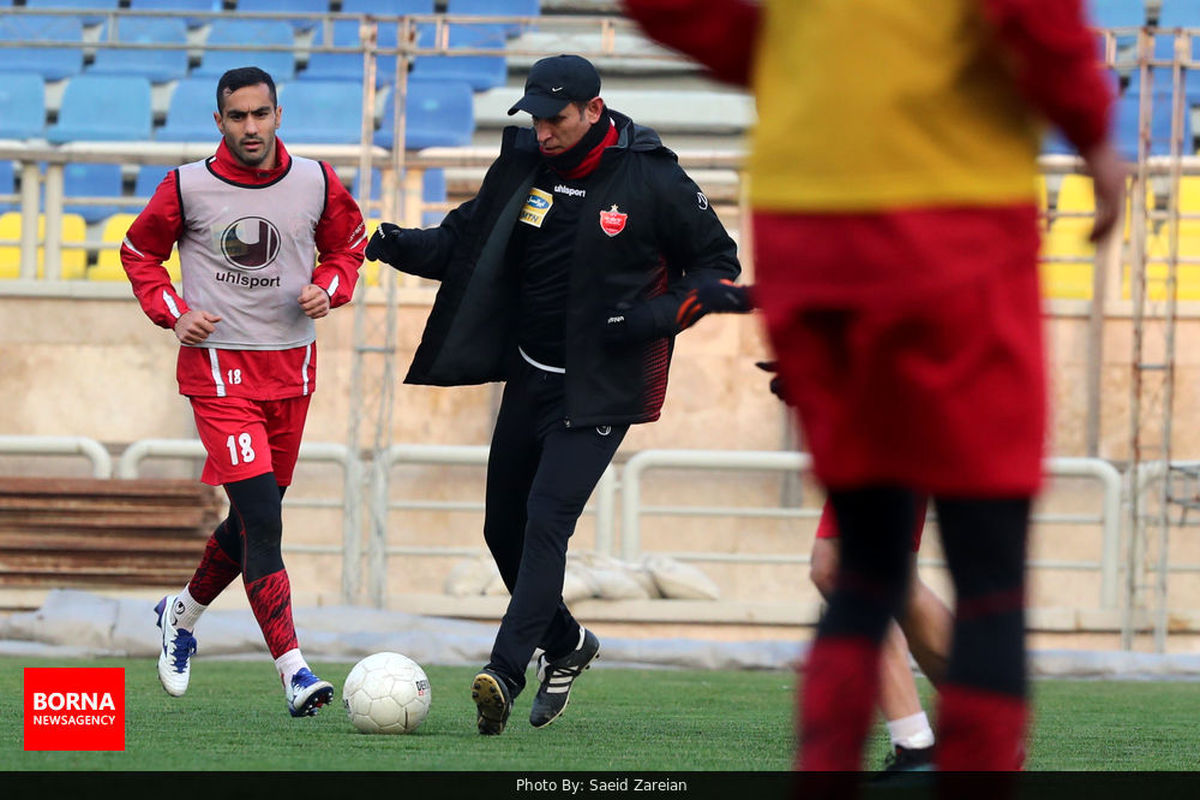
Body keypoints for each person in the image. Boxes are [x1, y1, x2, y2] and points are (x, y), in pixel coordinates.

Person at [625, 0, 1123, 777]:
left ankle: (905, 743)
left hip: (813, 239)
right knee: (986, 574)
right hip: (952, 233)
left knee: (858, 571)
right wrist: (1094, 136)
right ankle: (951, 748)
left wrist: (800, 65)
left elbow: (684, 16)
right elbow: (1042, 26)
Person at [364, 54, 742, 735]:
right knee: (499, 529)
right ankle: (567, 644)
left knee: (545, 522)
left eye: (556, 118)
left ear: (594, 111)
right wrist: (386, 243)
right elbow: (461, 242)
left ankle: (505, 672)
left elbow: (719, 269)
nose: (543, 130)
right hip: (531, 376)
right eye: (535, 117)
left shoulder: (652, 178)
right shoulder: (526, 165)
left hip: (602, 391)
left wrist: (650, 320)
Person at [121, 66, 366, 717]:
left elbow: (348, 246)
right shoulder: (187, 186)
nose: (251, 127)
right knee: (264, 520)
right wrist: (173, 310)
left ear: (278, 114)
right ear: (219, 122)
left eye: (261, 114)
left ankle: (181, 614)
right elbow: (137, 252)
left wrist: (330, 288)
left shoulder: (314, 179)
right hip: (220, 375)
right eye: (238, 116)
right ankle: (294, 670)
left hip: (292, 373)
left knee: (250, 519)